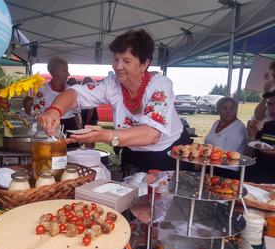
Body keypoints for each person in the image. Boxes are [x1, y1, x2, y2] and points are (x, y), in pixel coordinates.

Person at [38, 29, 191, 173]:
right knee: (131, 193)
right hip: (132, 150)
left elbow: (152, 134)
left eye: (126, 61)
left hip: (168, 153)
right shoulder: (112, 84)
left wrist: (105, 135)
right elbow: (75, 93)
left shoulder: (160, 85)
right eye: (116, 59)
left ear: (144, 64)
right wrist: (55, 110)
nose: (118, 66)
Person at [33, 56, 82, 148]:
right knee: (53, 154)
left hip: (70, 126)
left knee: (72, 154)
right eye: (65, 70)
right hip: (50, 127)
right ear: (55, 72)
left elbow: (77, 113)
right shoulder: (43, 90)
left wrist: (79, 131)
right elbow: (36, 112)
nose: (68, 74)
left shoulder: (70, 90)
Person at [204, 97, 247, 178]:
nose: (229, 111)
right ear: (218, 110)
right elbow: (208, 142)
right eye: (225, 108)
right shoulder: (217, 123)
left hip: (227, 169)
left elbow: (227, 152)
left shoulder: (239, 127)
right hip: (210, 165)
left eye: (232, 108)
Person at [245, 83, 275, 184]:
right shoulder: (268, 126)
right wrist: (252, 135)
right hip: (256, 179)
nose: (273, 109)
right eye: (270, 104)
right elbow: (250, 155)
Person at [81, 77, 99, 148]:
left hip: (90, 118)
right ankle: (90, 150)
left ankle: (89, 150)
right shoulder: (91, 92)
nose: (84, 84)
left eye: (86, 82)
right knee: (91, 136)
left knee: (88, 135)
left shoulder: (89, 93)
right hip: (91, 118)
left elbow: (90, 110)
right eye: (84, 82)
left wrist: (87, 121)